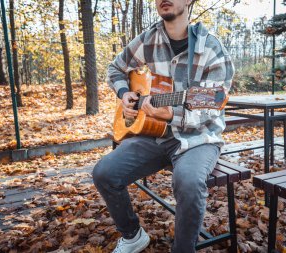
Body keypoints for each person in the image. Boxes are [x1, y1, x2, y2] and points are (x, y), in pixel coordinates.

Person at [92, 0, 234, 252]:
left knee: (188, 182)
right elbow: (115, 68)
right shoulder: (148, 39)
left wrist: (171, 115)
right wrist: (125, 94)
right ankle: (133, 235)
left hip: (199, 138)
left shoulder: (211, 48)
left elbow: (212, 106)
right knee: (104, 172)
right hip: (153, 134)